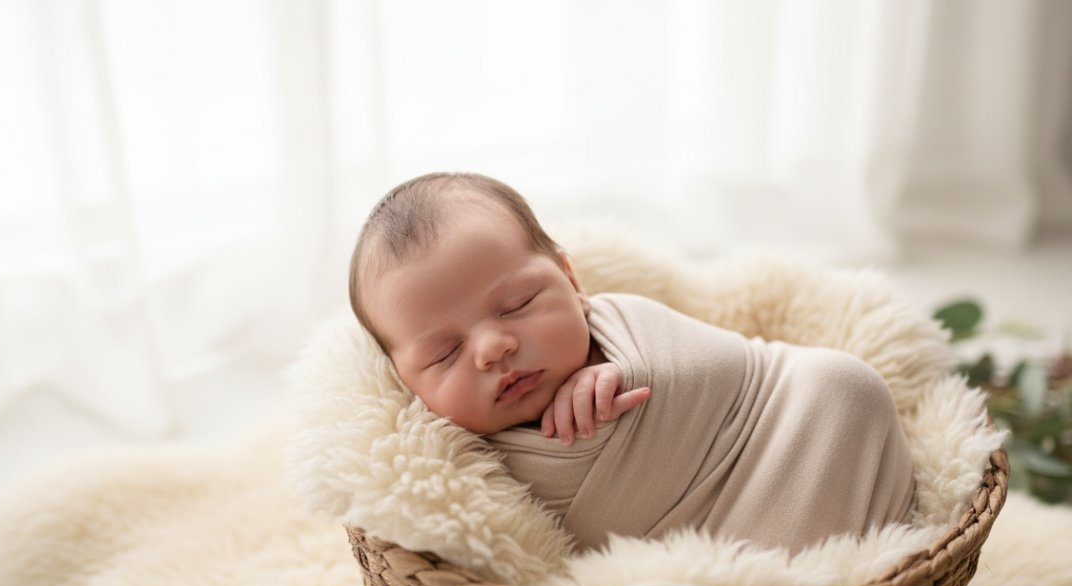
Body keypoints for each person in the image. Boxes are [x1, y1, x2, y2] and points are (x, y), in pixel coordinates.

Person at [349, 172, 916, 554]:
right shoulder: (452, 462)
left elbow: (734, 372)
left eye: (518, 304)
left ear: (572, 284)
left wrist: (631, 372)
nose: (492, 347)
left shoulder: (622, 324)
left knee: (845, 388)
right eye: (445, 353)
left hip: (785, 425)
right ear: (404, 381)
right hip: (691, 551)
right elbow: (532, 558)